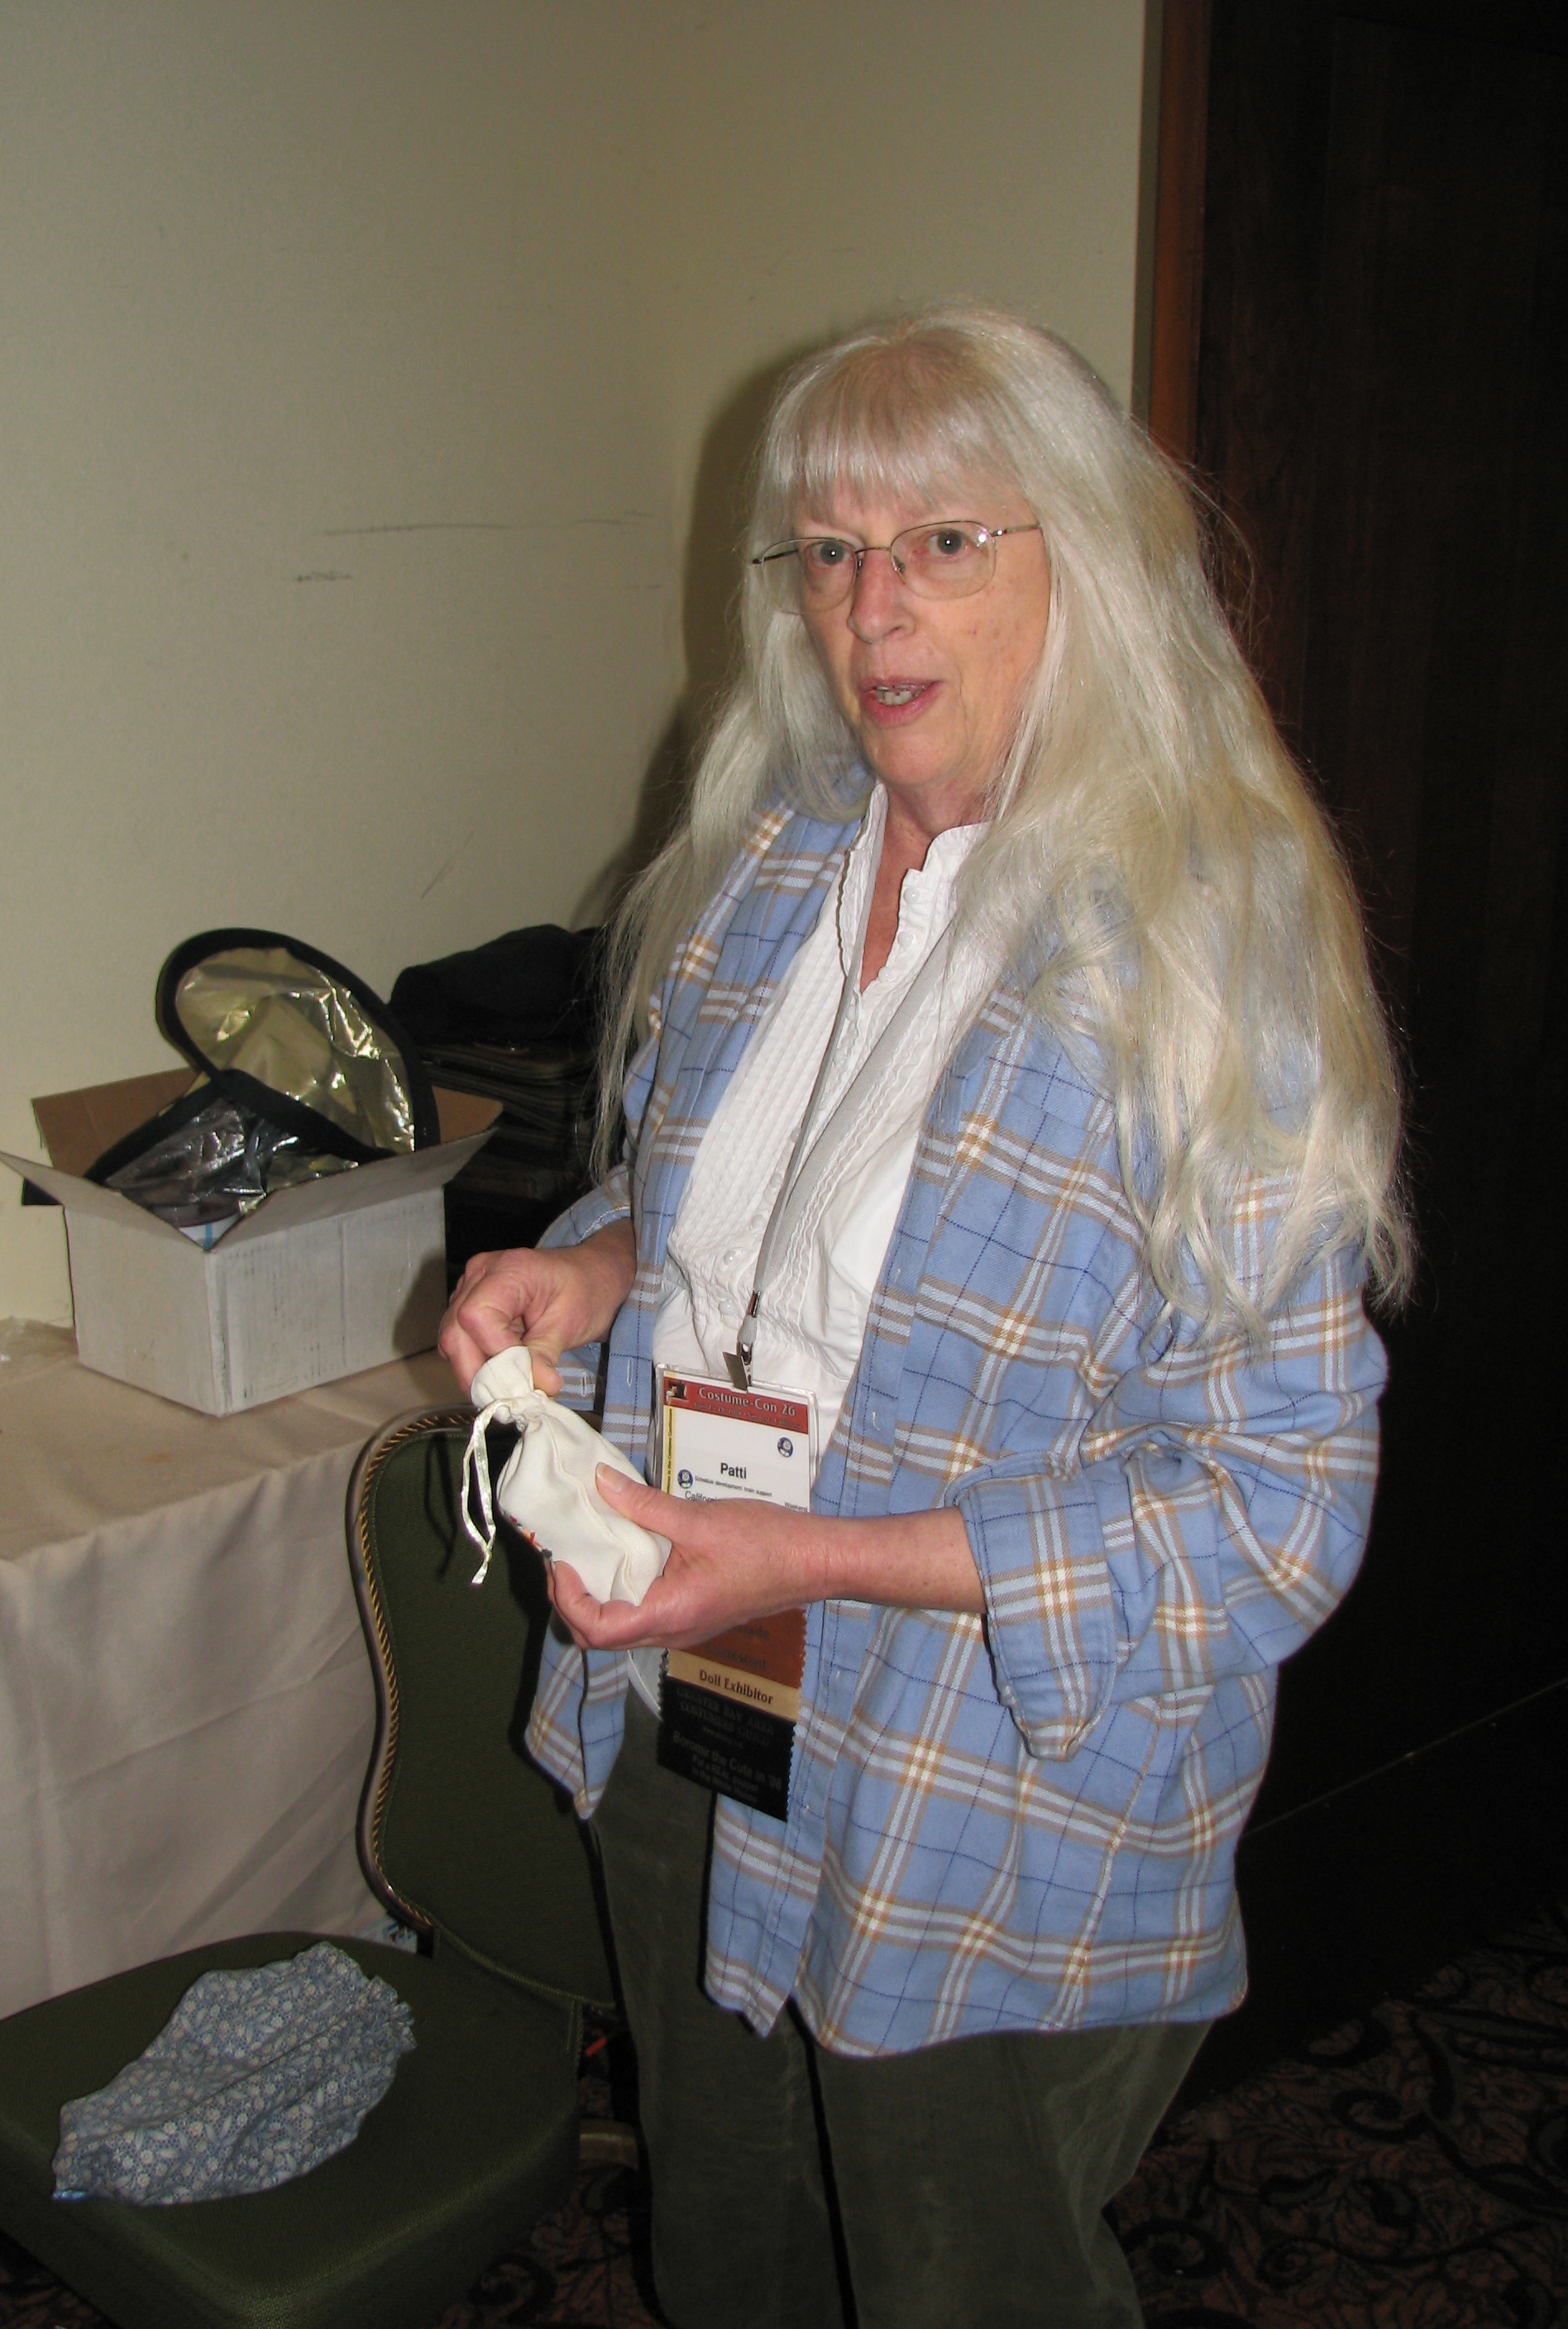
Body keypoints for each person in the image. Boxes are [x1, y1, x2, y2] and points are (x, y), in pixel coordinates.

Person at [439, 305, 1409, 2329]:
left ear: (1089, 566)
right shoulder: (776, 858)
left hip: (974, 1790)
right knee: (732, 2240)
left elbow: (1270, 1507)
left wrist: (815, 1555)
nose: (873, 606)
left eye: (946, 542)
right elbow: (712, 1201)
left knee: (962, 2281)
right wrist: (589, 1269)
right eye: (831, 549)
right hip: (695, 1693)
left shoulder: (1204, 953)